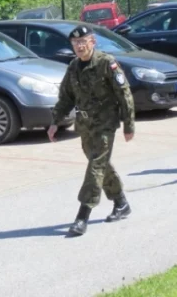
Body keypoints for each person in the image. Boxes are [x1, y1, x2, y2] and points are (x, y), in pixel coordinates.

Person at [49, 25, 136, 238]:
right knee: (99, 164)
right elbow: (66, 96)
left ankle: (82, 216)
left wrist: (128, 124)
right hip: (85, 125)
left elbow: (124, 94)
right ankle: (121, 202)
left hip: (106, 123)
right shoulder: (73, 67)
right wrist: (55, 121)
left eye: (83, 42)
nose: (79, 46)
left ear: (93, 42)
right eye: (75, 43)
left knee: (96, 166)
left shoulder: (107, 63)